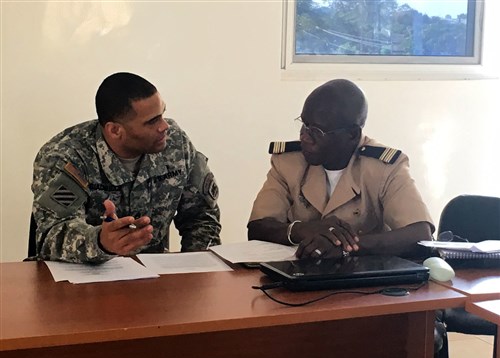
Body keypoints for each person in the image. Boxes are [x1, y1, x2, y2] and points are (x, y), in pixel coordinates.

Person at [31, 72, 221, 263]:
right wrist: (100, 242)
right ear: (115, 130)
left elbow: (202, 218)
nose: (164, 126)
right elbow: (51, 234)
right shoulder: (66, 157)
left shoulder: (176, 145)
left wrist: (195, 272)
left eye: (162, 114)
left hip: (153, 279)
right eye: (152, 121)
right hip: (83, 278)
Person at [248, 79, 433, 259]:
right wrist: (302, 229)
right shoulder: (289, 162)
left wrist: (346, 245)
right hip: (299, 275)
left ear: (352, 134)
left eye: (317, 131)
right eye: (304, 125)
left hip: (366, 279)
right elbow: (257, 227)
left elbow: (420, 235)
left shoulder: (384, 167)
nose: (305, 137)